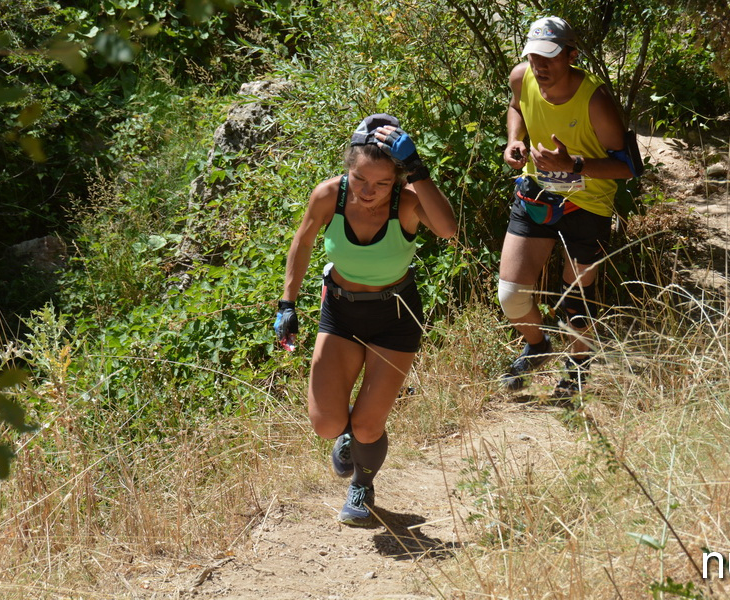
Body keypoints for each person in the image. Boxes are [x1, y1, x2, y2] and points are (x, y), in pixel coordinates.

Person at [274, 114, 456, 526]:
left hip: (395, 316)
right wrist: (287, 302)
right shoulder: (328, 196)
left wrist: (419, 171)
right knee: (326, 424)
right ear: (347, 168)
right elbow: (302, 243)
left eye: (381, 182)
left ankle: (362, 482)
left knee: (369, 425)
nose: (369, 191)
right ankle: (347, 436)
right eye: (359, 179)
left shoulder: (408, 201)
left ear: (397, 178)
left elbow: (447, 230)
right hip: (340, 310)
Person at [498, 16, 641, 399]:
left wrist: (573, 165)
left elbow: (627, 167)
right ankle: (538, 345)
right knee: (511, 294)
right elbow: (517, 107)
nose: (539, 66)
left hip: (587, 204)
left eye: (549, 57)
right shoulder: (521, 77)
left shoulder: (595, 100)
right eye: (533, 57)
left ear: (572, 55)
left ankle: (577, 366)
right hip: (535, 194)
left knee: (574, 301)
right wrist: (515, 140)